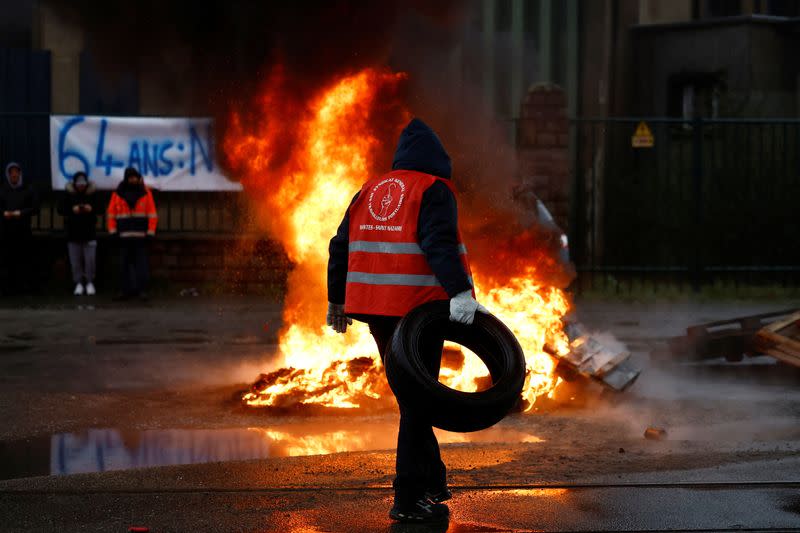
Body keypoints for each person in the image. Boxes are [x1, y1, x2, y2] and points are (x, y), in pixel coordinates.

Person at [327, 118, 488, 523]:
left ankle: (433, 481)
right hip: (418, 310)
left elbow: (338, 245)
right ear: (438, 160)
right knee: (417, 404)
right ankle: (408, 497)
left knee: (413, 398)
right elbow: (437, 243)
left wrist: (336, 301)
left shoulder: (370, 188)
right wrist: (460, 293)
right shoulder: (434, 189)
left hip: (375, 310)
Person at [106, 167, 157, 301]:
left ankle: (142, 291)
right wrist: (112, 232)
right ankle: (124, 291)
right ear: (126, 178)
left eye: (135, 177)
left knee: (141, 266)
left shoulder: (146, 193)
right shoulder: (117, 194)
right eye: (130, 177)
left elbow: (152, 215)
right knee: (122, 265)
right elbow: (111, 215)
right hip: (123, 236)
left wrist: (150, 232)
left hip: (140, 236)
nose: (133, 179)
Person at [0, 162, 39, 295]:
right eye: (12, 173)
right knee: (8, 260)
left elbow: (35, 208)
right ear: (8, 175)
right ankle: (8, 288)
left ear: (20, 174)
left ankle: (24, 287)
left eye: (16, 173)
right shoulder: (3, 190)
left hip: (23, 231)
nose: (14, 175)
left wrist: (21, 213)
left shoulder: (28, 189)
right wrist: (4, 213)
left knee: (24, 259)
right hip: (6, 232)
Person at [58, 171, 99, 295]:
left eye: (83, 183)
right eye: (79, 183)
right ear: (75, 184)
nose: (81, 186)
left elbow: (101, 208)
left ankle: (90, 282)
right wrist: (72, 209)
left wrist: (91, 208)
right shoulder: (68, 195)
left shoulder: (93, 195)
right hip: (73, 233)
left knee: (90, 260)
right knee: (75, 261)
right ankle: (78, 283)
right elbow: (60, 209)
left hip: (89, 233)